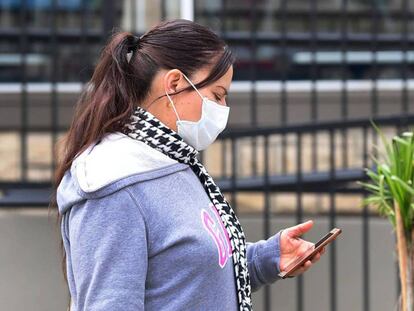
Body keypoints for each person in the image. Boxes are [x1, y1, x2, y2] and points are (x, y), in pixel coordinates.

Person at [53, 19, 325, 311]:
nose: (222, 110)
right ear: (174, 84)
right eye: (217, 95)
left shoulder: (173, 161)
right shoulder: (113, 185)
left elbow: (189, 274)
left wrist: (265, 258)